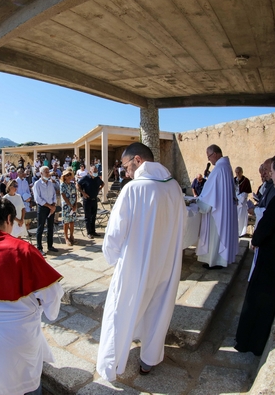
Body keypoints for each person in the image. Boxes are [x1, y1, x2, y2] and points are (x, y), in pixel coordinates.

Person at [97, 142, 186, 379]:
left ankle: (112, 365)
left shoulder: (133, 189)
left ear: (138, 160)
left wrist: (114, 259)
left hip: (136, 265)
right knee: (158, 309)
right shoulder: (175, 187)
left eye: (125, 166)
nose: (125, 173)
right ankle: (149, 360)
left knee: (121, 311)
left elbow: (114, 234)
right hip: (166, 263)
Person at [0, 198, 63, 395]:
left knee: (0, 383)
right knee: (28, 382)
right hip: (21, 335)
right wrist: (49, 310)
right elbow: (51, 291)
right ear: (9, 218)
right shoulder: (22, 249)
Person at [234, 154, 275, 356]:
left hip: (271, 258)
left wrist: (255, 241)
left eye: (273, 174)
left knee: (256, 301)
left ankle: (247, 342)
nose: (271, 177)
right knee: (268, 303)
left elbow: (266, 226)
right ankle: (256, 342)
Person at [195, 144, 238, 269]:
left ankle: (215, 261)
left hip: (217, 210)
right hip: (223, 209)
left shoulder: (219, 169)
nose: (209, 160)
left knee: (215, 235)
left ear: (215, 154)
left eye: (209, 156)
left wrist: (200, 201)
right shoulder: (226, 167)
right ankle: (219, 260)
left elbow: (209, 193)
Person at [32, 166, 58, 255]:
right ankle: (39, 248)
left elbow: (54, 195)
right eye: (46, 172)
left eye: (48, 172)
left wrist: (53, 205)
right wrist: (49, 206)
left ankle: (50, 245)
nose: (48, 173)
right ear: (41, 173)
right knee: (41, 227)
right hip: (43, 208)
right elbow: (37, 199)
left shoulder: (50, 183)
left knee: (50, 227)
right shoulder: (37, 184)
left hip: (51, 207)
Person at [77, 165, 104, 240]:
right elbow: (77, 185)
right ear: (90, 172)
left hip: (94, 199)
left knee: (93, 216)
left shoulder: (97, 179)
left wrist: (99, 190)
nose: (95, 172)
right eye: (94, 171)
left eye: (96, 171)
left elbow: (103, 184)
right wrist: (83, 193)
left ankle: (93, 231)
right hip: (87, 200)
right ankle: (89, 232)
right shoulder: (86, 178)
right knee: (88, 217)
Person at [60, 169, 77, 246]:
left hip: (73, 205)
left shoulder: (73, 184)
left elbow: (75, 195)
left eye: (70, 175)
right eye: (67, 175)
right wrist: (70, 205)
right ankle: (66, 237)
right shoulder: (62, 185)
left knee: (72, 221)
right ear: (64, 177)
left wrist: (75, 205)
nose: (69, 176)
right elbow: (63, 196)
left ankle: (71, 236)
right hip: (66, 206)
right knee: (66, 222)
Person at [234, 167, 252, 237]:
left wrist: (238, 198)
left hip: (242, 202)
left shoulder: (246, 180)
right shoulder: (234, 180)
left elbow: (245, 193)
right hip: (235, 203)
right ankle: (234, 232)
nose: (237, 174)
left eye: (239, 172)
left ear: (242, 172)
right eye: (236, 172)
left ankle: (240, 233)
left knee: (241, 219)